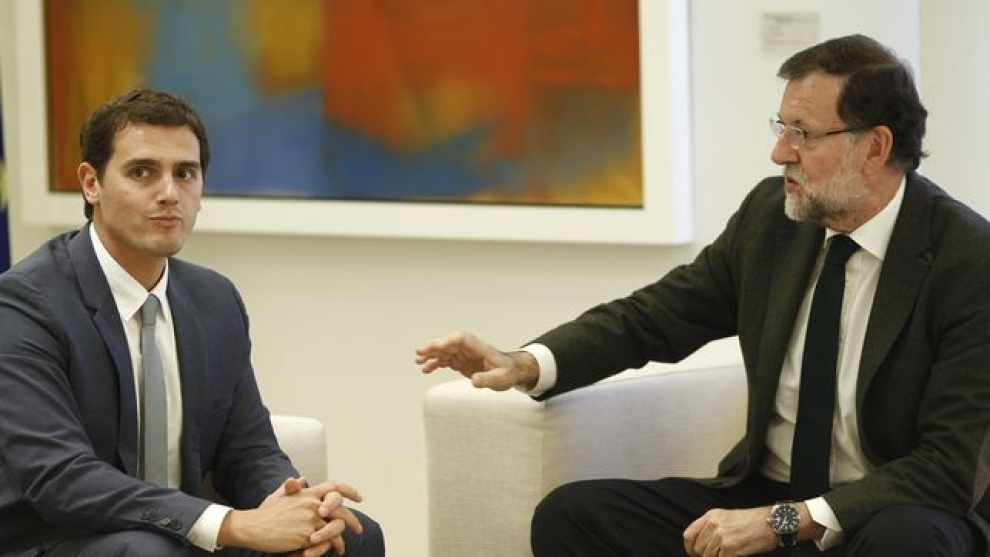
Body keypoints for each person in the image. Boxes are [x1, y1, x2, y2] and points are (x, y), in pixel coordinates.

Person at [415, 34, 990, 557]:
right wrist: (523, 363)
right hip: (765, 493)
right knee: (573, 515)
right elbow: (655, 316)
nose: (780, 153)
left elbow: (947, 467)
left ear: (875, 147)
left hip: (882, 513)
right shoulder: (772, 218)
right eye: (781, 127)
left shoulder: (968, 260)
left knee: (910, 541)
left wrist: (787, 522)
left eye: (803, 134)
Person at [0, 89, 385, 557]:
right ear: (91, 183)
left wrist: (293, 503)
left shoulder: (214, 300)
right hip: (56, 538)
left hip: (178, 532)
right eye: (142, 172)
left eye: (185, 173)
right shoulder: (23, 304)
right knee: (149, 552)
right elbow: (61, 478)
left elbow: (248, 450)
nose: (169, 193)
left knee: (349, 537)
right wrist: (231, 524)